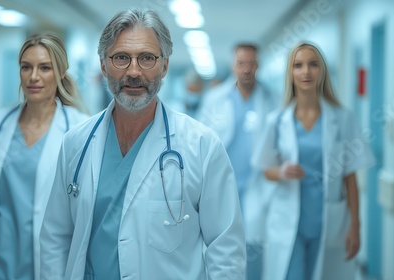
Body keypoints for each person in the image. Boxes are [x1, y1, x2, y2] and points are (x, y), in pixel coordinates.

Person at [39, 8, 246, 280]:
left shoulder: (202, 146)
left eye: (147, 58)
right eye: (121, 58)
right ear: (103, 65)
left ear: (164, 65)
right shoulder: (76, 143)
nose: (134, 71)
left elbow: (226, 248)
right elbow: (55, 237)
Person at [0, 32, 89, 280]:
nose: (34, 76)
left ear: (61, 73)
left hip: (47, 261)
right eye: (26, 67)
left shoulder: (78, 130)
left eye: (45, 68)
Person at [251, 42, 374, 280]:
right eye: (298, 65)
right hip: (289, 223)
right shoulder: (277, 121)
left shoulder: (343, 118)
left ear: (322, 71)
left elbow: (350, 176)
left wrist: (356, 225)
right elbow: (266, 169)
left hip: (329, 222)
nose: (306, 72)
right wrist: (282, 171)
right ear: (291, 73)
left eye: (313, 64)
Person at [196, 43, 278, 279]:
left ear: (258, 66)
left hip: (257, 186)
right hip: (222, 185)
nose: (246, 69)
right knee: (220, 244)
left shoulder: (272, 100)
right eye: (241, 63)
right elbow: (200, 141)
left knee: (253, 246)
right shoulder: (214, 99)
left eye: (251, 64)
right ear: (233, 65)